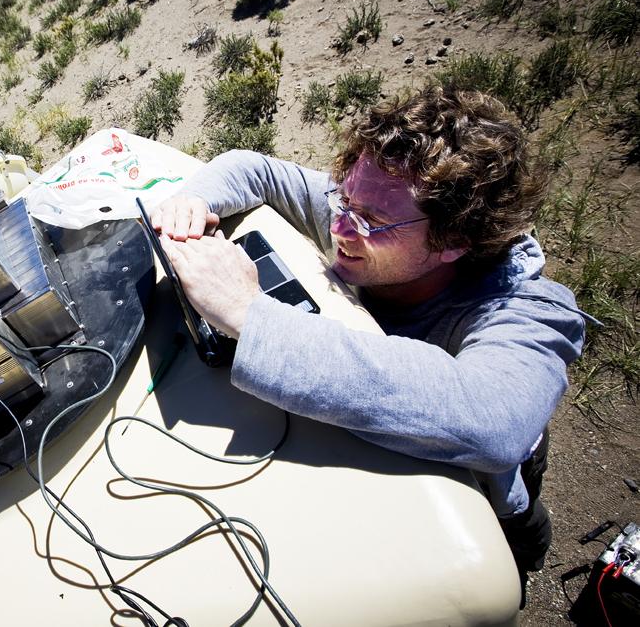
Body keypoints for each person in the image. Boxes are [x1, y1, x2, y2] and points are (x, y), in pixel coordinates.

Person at [152, 87, 588, 600]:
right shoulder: (361, 210)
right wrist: (194, 201)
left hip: (492, 492)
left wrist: (250, 315)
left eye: (371, 223)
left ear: (455, 241)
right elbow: (254, 169)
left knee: (511, 547)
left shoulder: (531, 311)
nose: (339, 227)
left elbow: (495, 421)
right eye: (345, 199)